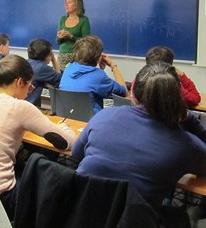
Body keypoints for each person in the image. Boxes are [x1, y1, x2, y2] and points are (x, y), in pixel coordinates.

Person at [72, 62, 206, 228]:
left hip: (81, 213)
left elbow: (76, 154)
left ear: (133, 91)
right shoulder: (186, 144)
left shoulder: (103, 115)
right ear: (177, 100)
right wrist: (190, 119)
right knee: (178, 216)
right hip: (132, 221)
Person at [0, 55, 76, 219]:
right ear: (19, 82)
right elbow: (65, 143)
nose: (29, 91)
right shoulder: (18, 107)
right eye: (29, 86)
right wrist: (65, 129)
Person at [59, 35, 127, 114]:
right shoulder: (99, 76)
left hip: (69, 118)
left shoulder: (68, 68)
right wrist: (113, 65)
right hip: (92, 123)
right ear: (98, 56)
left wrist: (100, 70)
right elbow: (125, 92)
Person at [56, 0, 90, 70]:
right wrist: (60, 37)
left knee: (73, 78)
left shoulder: (84, 20)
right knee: (61, 79)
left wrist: (71, 36)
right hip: (62, 57)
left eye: (69, 2)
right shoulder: (63, 19)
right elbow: (58, 42)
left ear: (77, 4)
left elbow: (86, 42)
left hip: (76, 57)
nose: (66, 4)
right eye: (65, 3)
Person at [26, 39, 61, 107]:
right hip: (30, 106)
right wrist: (53, 59)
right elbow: (60, 80)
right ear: (48, 55)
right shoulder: (42, 68)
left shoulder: (26, 62)